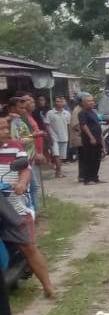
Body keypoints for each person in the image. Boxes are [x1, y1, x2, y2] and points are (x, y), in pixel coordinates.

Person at [0, 117, 53, 297]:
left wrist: (22, 184)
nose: (6, 131)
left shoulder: (15, 146)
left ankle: (48, 287)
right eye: (1, 129)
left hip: (12, 207)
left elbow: (25, 169)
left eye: (6, 128)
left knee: (28, 247)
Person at [77, 95, 104, 185]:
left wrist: (101, 139)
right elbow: (84, 125)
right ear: (83, 103)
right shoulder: (82, 113)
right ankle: (88, 179)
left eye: (92, 100)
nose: (91, 102)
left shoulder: (93, 112)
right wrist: (91, 137)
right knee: (89, 159)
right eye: (88, 101)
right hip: (89, 139)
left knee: (97, 159)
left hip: (98, 138)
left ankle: (95, 177)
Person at [45, 96, 72, 178]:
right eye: (57, 101)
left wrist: (69, 137)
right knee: (56, 154)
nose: (59, 103)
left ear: (64, 102)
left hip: (64, 137)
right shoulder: (50, 113)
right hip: (54, 137)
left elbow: (68, 126)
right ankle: (59, 171)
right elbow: (47, 125)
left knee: (61, 156)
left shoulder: (67, 113)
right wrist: (50, 136)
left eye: (61, 101)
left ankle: (58, 172)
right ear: (54, 102)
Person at [67, 95, 83, 163]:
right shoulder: (77, 111)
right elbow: (75, 124)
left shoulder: (81, 109)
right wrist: (83, 132)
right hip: (79, 137)